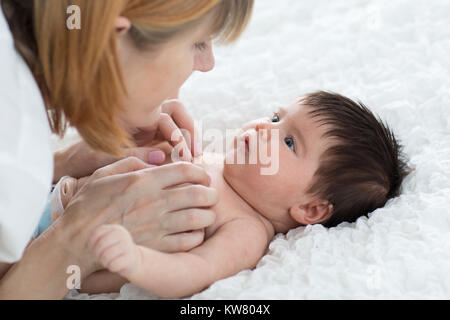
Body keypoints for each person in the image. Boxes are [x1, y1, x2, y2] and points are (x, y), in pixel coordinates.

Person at [0, 0, 254, 299]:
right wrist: (76, 241)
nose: (207, 63)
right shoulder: (15, 137)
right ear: (113, 39)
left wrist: (62, 162)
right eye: (198, 42)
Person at [48, 92, 410, 298]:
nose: (263, 128)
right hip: (55, 194)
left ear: (311, 209)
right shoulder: (220, 162)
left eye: (288, 141)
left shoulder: (247, 230)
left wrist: (136, 261)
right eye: (274, 118)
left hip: (57, 249)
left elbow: (194, 271)